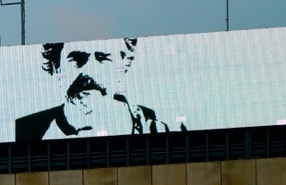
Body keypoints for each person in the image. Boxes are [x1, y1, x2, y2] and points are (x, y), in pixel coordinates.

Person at [15, 37, 185, 141]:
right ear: (56, 68)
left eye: (102, 58)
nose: (88, 72)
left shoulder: (161, 130)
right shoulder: (25, 132)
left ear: (123, 65)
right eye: (77, 59)